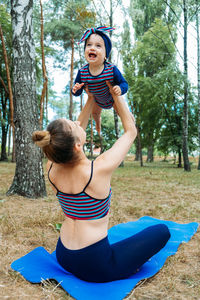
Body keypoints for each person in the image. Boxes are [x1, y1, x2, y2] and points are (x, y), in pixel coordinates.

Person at [32, 83, 170, 283]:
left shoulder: (52, 166)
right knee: (161, 231)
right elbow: (130, 131)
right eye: (74, 124)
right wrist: (115, 94)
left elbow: (71, 135)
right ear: (77, 146)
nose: (78, 123)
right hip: (94, 265)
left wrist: (91, 97)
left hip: (63, 254)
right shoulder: (98, 170)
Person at [72, 26, 128, 135]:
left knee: (122, 113)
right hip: (97, 100)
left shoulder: (111, 69)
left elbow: (124, 83)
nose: (92, 48)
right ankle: (98, 126)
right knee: (95, 114)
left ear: (105, 55)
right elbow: (77, 91)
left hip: (112, 98)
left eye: (98, 46)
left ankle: (129, 128)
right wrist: (76, 89)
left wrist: (120, 89)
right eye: (89, 45)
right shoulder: (82, 72)